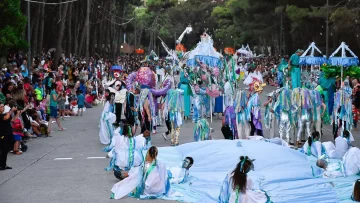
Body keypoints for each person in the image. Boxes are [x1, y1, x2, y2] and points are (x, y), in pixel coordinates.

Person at [0, 102, 15, 170]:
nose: (3, 108)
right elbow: (6, 118)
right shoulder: (1, 115)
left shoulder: (5, 113)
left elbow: (12, 119)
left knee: (6, 150)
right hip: (3, 134)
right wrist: (10, 110)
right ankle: (1, 165)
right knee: (3, 150)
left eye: (3, 106)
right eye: (1, 107)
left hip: (8, 133)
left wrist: (17, 113)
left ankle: (4, 164)